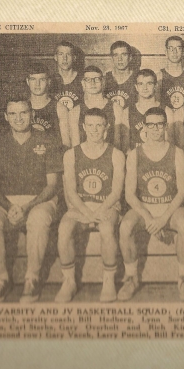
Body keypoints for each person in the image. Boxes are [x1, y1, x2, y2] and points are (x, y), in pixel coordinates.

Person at [0, 94, 62, 303]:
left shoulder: (47, 141)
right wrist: (11, 206)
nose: (18, 118)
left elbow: (52, 186)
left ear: (32, 114)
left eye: (24, 112)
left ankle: (31, 279)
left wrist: (27, 207)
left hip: (40, 201)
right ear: (6, 117)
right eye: (13, 114)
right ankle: (1, 280)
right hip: (7, 203)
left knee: (39, 218)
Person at [118, 107, 184, 301]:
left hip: (170, 207)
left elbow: (182, 192)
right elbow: (129, 195)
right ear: (144, 127)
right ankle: (131, 277)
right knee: (125, 226)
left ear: (165, 127)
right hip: (145, 208)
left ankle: (183, 277)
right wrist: (149, 218)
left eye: (159, 125)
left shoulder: (176, 152)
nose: (155, 129)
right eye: (151, 125)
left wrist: (163, 218)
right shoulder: (135, 154)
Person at [55, 108, 126, 302]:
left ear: (106, 127)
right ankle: (68, 281)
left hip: (107, 206)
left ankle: (108, 280)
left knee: (106, 229)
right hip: (80, 206)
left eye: (99, 125)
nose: (94, 130)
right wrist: (86, 211)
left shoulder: (116, 154)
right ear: (84, 127)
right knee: (64, 228)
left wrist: (99, 211)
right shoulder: (71, 154)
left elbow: (116, 192)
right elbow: (70, 191)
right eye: (90, 125)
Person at [69, 66, 124, 150]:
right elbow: (75, 147)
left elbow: (118, 145)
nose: (92, 83)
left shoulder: (116, 108)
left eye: (97, 79)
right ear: (83, 83)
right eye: (88, 80)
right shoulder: (75, 111)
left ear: (103, 82)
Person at [126, 69, 174, 150]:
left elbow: (169, 145)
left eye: (149, 83)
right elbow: (126, 148)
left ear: (155, 86)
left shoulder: (167, 111)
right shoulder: (127, 111)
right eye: (141, 84)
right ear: (136, 87)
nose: (145, 88)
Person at [51, 41, 84, 147]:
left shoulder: (82, 80)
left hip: (80, 134)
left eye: (68, 54)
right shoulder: (49, 81)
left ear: (74, 58)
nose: (64, 59)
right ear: (55, 57)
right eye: (61, 54)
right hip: (56, 134)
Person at [25, 63, 61, 143]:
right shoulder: (22, 106)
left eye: (42, 79)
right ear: (28, 81)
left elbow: (66, 143)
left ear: (48, 82)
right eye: (33, 79)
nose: (37, 84)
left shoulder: (59, 108)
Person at [158, 36, 184, 111]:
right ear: (166, 52)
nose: (174, 52)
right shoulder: (159, 76)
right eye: (171, 48)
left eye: (178, 48)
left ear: (183, 53)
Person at [104, 40, 137, 112]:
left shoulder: (138, 78)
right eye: (116, 55)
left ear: (130, 57)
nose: (120, 59)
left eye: (124, 54)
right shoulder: (104, 79)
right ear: (111, 58)